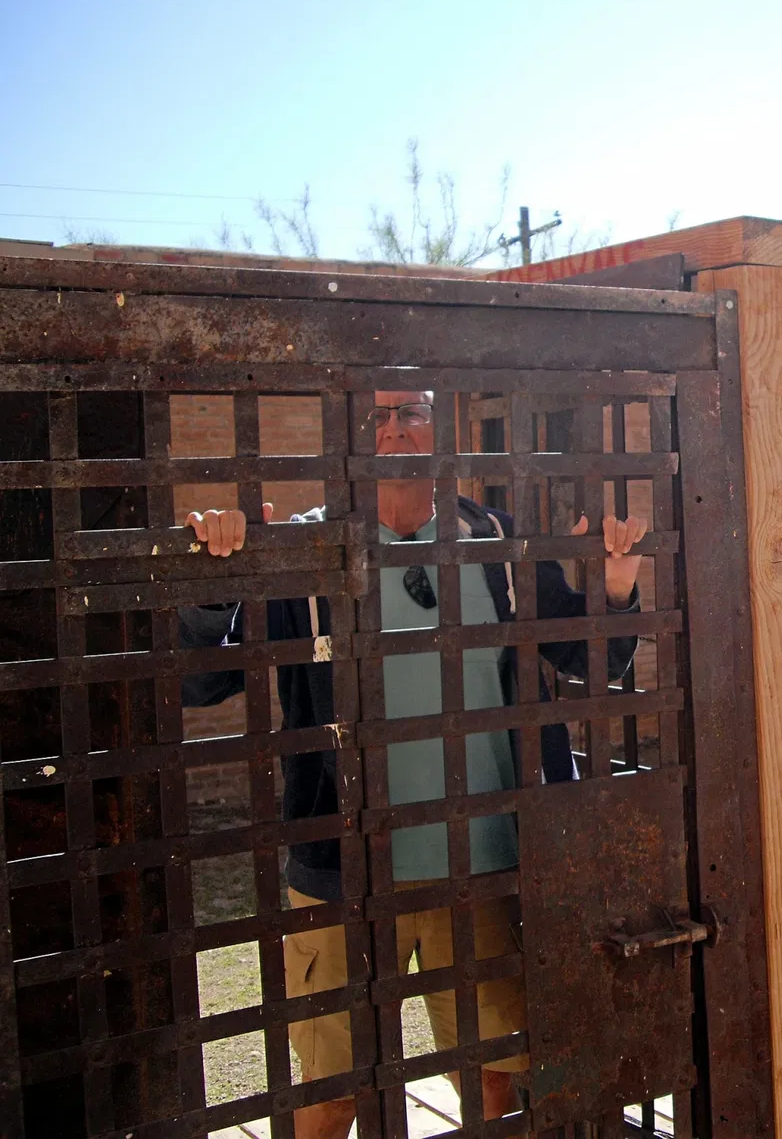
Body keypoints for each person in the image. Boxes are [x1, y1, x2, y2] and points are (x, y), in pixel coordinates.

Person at [180, 390, 647, 1138]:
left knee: (496, 1083)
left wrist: (618, 585)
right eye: (377, 414)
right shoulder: (305, 548)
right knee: (330, 1097)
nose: (395, 427)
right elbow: (203, 682)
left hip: (489, 861)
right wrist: (211, 583)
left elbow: (595, 658)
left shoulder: (493, 540)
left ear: (445, 427)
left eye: (413, 411)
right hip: (345, 869)